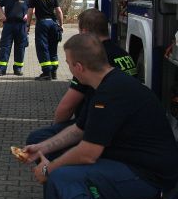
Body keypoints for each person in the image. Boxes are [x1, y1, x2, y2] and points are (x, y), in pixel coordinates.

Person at [24, 34, 178, 199]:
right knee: (54, 166)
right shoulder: (106, 85)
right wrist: (41, 147)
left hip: (147, 175)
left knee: (62, 179)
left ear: (78, 67)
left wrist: (49, 168)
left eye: (67, 61)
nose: (67, 65)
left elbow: (87, 153)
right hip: (128, 161)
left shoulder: (112, 93)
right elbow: (79, 130)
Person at [26, 8, 138, 148]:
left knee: (38, 138)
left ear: (84, 32)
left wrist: (54, 130)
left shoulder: (94, 58)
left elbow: (68, 106)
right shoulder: (122, 54)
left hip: (101, 126)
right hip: (125, 123)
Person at [28, 0, 64, 80]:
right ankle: (53, 72)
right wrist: (61, 25)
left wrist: (28, 25)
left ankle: (46, 72)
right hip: (53, 23)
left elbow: (30, 12)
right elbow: (59, 12)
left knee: (42, 47)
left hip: (42, 23)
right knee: (53, 46)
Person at [0, 0, 31, 76]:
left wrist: (27, 15)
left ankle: (18, 68)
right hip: (8, 25)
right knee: (5, 47)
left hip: (21, 26)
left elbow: (32, 8)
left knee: (20, 47)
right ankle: (1, 69)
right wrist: (2, 15)